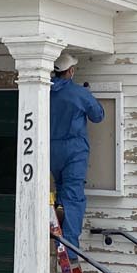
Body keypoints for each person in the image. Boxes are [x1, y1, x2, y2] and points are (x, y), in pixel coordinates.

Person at [48, 52, 104, 259]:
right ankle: (69, 249)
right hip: (74, 150)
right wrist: (88, 95)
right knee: (72, 197)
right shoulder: (78, 93)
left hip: (50, 150)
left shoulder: (45, 90)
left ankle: (58, 232)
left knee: (61, 192)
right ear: (70, 71)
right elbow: (98, 116)